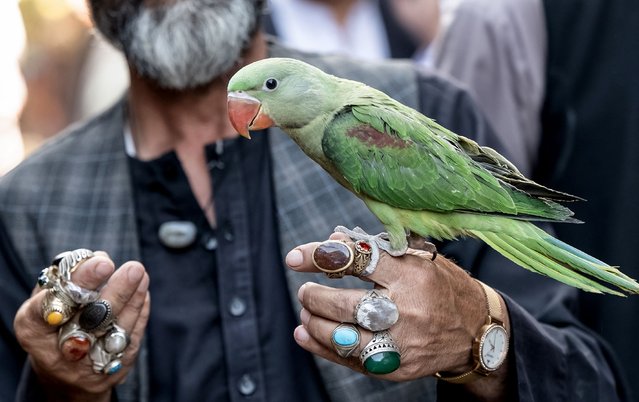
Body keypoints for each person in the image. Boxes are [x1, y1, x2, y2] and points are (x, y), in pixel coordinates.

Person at [0, 0, 626, 401]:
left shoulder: (417, 104)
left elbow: (593, 381)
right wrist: (60, 386)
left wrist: (477, 335)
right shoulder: (24, 206)